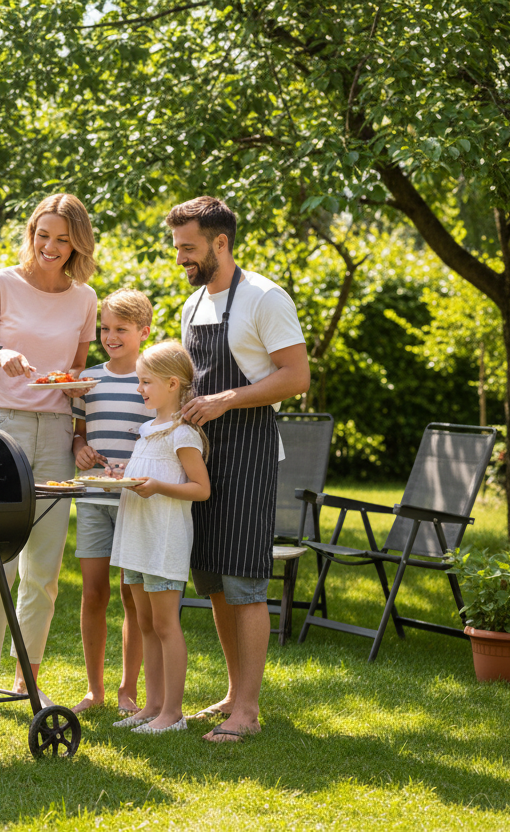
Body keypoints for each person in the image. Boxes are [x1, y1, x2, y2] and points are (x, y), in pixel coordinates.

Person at [169, 196, 310, 743]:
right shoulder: (193, 304)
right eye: (177, 247)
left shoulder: (264, 297)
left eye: (188, 247)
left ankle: (247, 712)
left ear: (220, 242)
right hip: (201, 454)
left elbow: (295, 376)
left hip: (249, 452)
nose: (181, 258)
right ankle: (232, 694)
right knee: (214, 580)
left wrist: (225, 399)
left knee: (245, 580)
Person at [0, 193, 99, 716]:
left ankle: (27, 681)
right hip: (3, 426)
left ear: (77, 244)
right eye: (44, 235)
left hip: (57, 432)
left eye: (63, 239)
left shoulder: (84, 299)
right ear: (32, 234)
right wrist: (1, 354)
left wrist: (77, 401)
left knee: (43, 568)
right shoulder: (0, 282)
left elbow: (78, 372)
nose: (51, 246)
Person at [108, 341, 210, 734]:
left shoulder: (182, 434)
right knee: (145, 624)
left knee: (166, 625)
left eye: (146, 381)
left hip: (163, 542)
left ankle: (173, 713)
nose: (140, 389)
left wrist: (158, 487)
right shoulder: (147, 430)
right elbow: (147, 474)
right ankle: (151, 706)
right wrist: (124, 476)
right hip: (137, 538)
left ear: (172, 383)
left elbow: (201, 489)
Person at [69, 288, 154, 715]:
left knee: (131, 594)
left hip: (134, 500)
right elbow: (79, 432)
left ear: (144, 331)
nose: (111, 337)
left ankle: (128, 690)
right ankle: (94, 689)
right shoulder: (88, 379)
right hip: (92, 496)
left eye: (122, 329)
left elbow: (162, 435)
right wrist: (79, 448)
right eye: (105, 328)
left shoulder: (152, 380)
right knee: (93, 593)